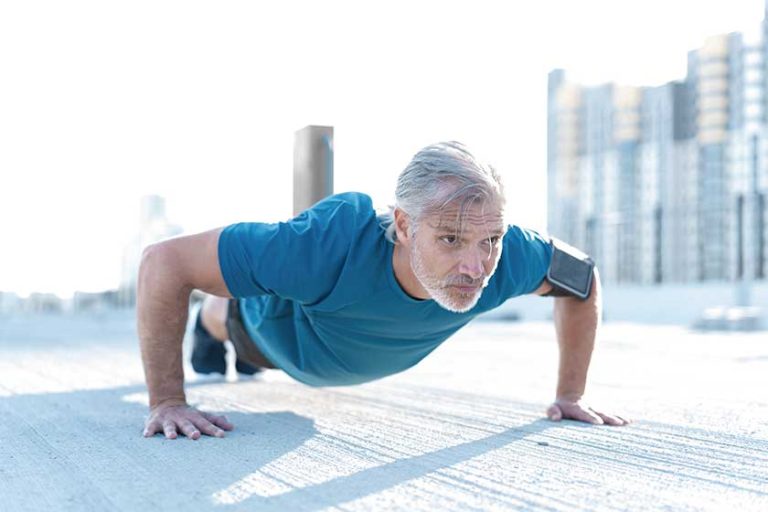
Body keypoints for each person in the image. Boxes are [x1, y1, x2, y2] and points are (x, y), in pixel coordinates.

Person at [138, 141, 629, 440]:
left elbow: (581, 279)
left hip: (339, 349)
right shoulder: (327, 243)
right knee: (235, 322)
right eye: (451, 239)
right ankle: (213, 323)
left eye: (490, 240)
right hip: (278, 337)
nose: (476, 266)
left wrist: (570, 393)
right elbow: (163, 262)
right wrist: (167, 400)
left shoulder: (509, 254)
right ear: (403, 225)